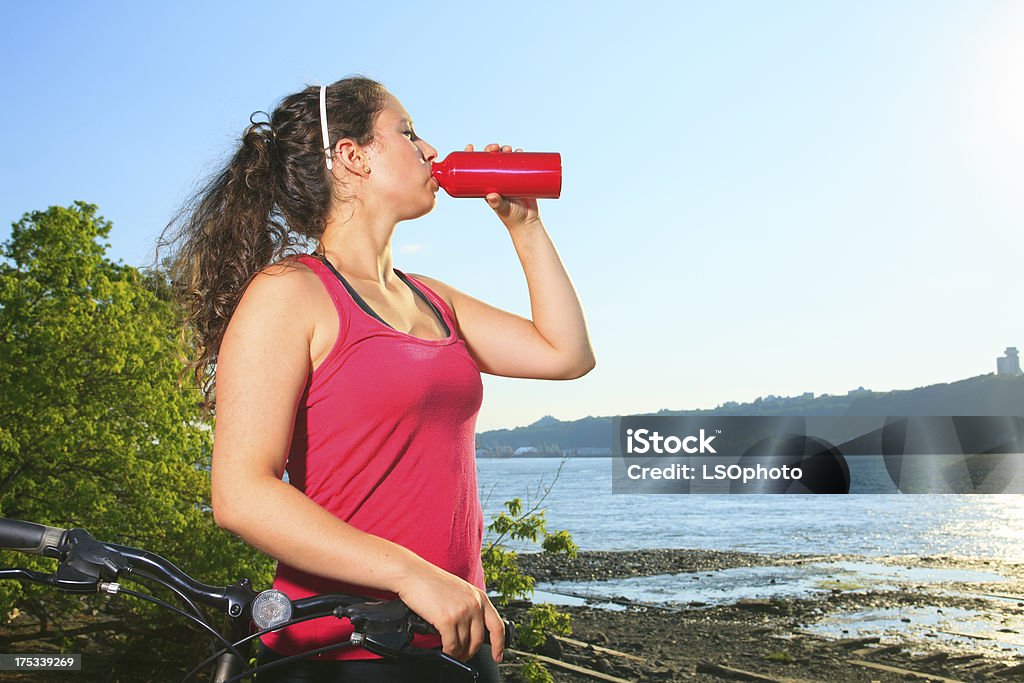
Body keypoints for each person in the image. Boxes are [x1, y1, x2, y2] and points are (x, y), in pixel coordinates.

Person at [164, 76, 595, 682]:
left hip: (452, 638)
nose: (428, 148)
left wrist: (524, 225)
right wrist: (412, 574)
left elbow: (566, 353)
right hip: (341, 651)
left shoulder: (431, 298)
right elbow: (240, 495)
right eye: (408, 131)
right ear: (352, 155)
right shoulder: (290, 294)